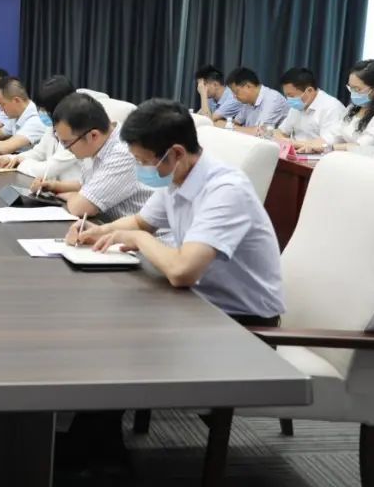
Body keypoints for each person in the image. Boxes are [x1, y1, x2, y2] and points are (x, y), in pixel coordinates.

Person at [71, 99, 285, 324]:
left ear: (177, 153)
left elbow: (181, 271)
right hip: (197, 304)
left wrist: (138, 238)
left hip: (243, 323)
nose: (140, 168)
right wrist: (99, 231)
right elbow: (140, 222)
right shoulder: (177, 178)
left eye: (144, 161)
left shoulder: (227, 191)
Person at [32, 92, 154, 222]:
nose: (66, 148)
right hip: (112, 225)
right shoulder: (97, 146)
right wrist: (54, 186)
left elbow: (80, 208)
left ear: (93, 135)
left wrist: (69, 196)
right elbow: (88, 184)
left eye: (67, 143)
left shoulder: (123, 154)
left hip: (144, 232)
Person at [0, 74, 81, 182]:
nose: (41, 112)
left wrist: (20, 163)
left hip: (73, 190)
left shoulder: (78, 131)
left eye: (45, 109)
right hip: (54, 187)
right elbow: (37, 153)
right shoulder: (53, 127)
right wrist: (9, 159)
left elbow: (49, 169)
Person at [325, 59, 374, 151]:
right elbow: (335, 134)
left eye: (357, 89)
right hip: (343, 156)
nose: (352, 93)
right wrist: (316, 145)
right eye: (350, 88)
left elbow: (363, 145)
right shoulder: (355, 107)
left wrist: (329, 147)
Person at [275, 66, 345, 151]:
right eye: (286, 95)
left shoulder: (332, 107)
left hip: (320, 156)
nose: (288, 99)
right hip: (297, 153)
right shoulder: (297, 106)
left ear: (309, 91)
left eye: (291, 96)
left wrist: (292, 143)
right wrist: (281, 139)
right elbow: (281, 132)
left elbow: (326, 144)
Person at [222, 67, 290, 134]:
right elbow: (236, 122)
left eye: (236, 92)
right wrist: (228, 125)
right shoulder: (248, 101)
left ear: (248, 86)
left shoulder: (273, 99)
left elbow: (259, 132)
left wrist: (230, 127)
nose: (234, 97)